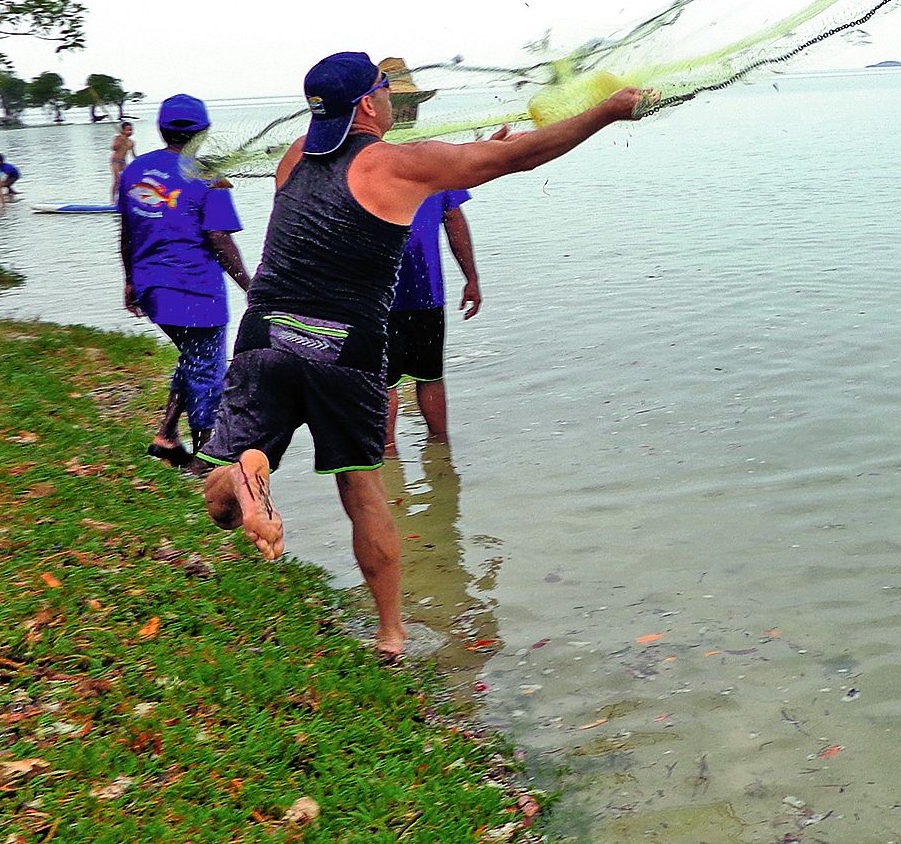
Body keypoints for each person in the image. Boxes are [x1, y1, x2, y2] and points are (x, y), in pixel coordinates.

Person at [194, 51, 643, 658]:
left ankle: (251, 476)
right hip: (343, 346)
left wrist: (471, 154)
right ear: (370, 103)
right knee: (362, 489)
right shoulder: (397, 165)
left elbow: (416, 172)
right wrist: (609, 111)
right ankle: (391, 635)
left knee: (229, 482)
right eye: (383, 89)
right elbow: (521, 158)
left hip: (264, 335)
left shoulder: (294, 156)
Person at [119, 95, 251, 467]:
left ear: (161, 130)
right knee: (209, 369)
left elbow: (127, 232)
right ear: (203, 132)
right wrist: (250, 286)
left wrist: (130, 281)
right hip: (195, 292)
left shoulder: (135, 172)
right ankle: (207, 458)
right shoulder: (207, 175)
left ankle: (166, 436)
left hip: (152, 289)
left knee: (195, 357)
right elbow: (220, 240)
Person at [385, 188, 481, 450]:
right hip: (405, 291)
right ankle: (437, 451)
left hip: (393, 294)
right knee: (421, 377)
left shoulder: (357, 164)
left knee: (400, 379)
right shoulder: (435, 160)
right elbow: (454, 220)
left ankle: (433, 451)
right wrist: (471, 279)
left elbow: (453, 220)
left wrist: (471, 278)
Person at [109, 121, 135, 200]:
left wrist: (139, 161)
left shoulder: (131, 142)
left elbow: (133, 154)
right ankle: (112, 199)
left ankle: (124, 197)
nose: (130, 132)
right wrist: (121, 142)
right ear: (123, 130)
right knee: (117, 180)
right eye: (128, 130)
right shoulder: (118, 138)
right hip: (115, 161)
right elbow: (113, 148)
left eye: (131, 130)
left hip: (123, 162)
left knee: (127, 179)